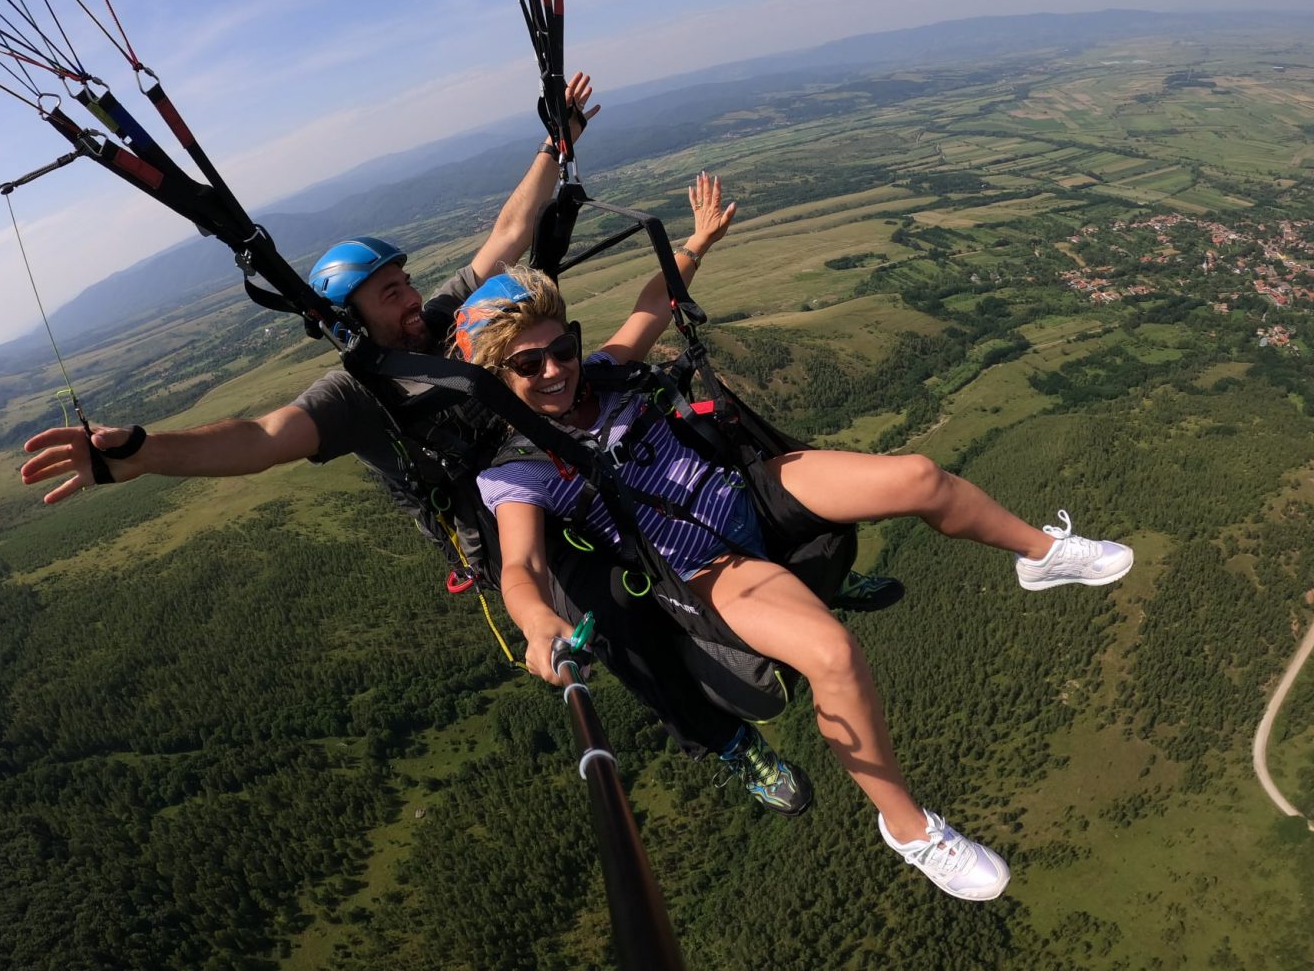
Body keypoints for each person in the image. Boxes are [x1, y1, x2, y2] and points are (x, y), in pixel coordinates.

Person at [19, 75, 812, 816]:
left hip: (549, 463)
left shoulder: (440, 325)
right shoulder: (355, 397)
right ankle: (727, 742)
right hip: (506, 520)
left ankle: (806, 578)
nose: (410, 297)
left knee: (700, 476)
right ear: (353, 316)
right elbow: (259, 439)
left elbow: (509, 232)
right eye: (390, 291)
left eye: (404, 282)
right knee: (613, 614)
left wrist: (556, 142)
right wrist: (142, 451)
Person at [455, 171, 1135, 902]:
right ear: (495, 378)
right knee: (834, 655)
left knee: (917, 476)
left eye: (562, 347)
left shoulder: (603, 375)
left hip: (750, 490)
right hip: (707, 565)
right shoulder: (518, 470)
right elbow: (520, 565)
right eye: (529, 364)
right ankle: (909, 830)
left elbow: (653, 307)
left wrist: (695, 246)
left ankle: (1040, 556)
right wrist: (535, 625)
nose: (556, 369)